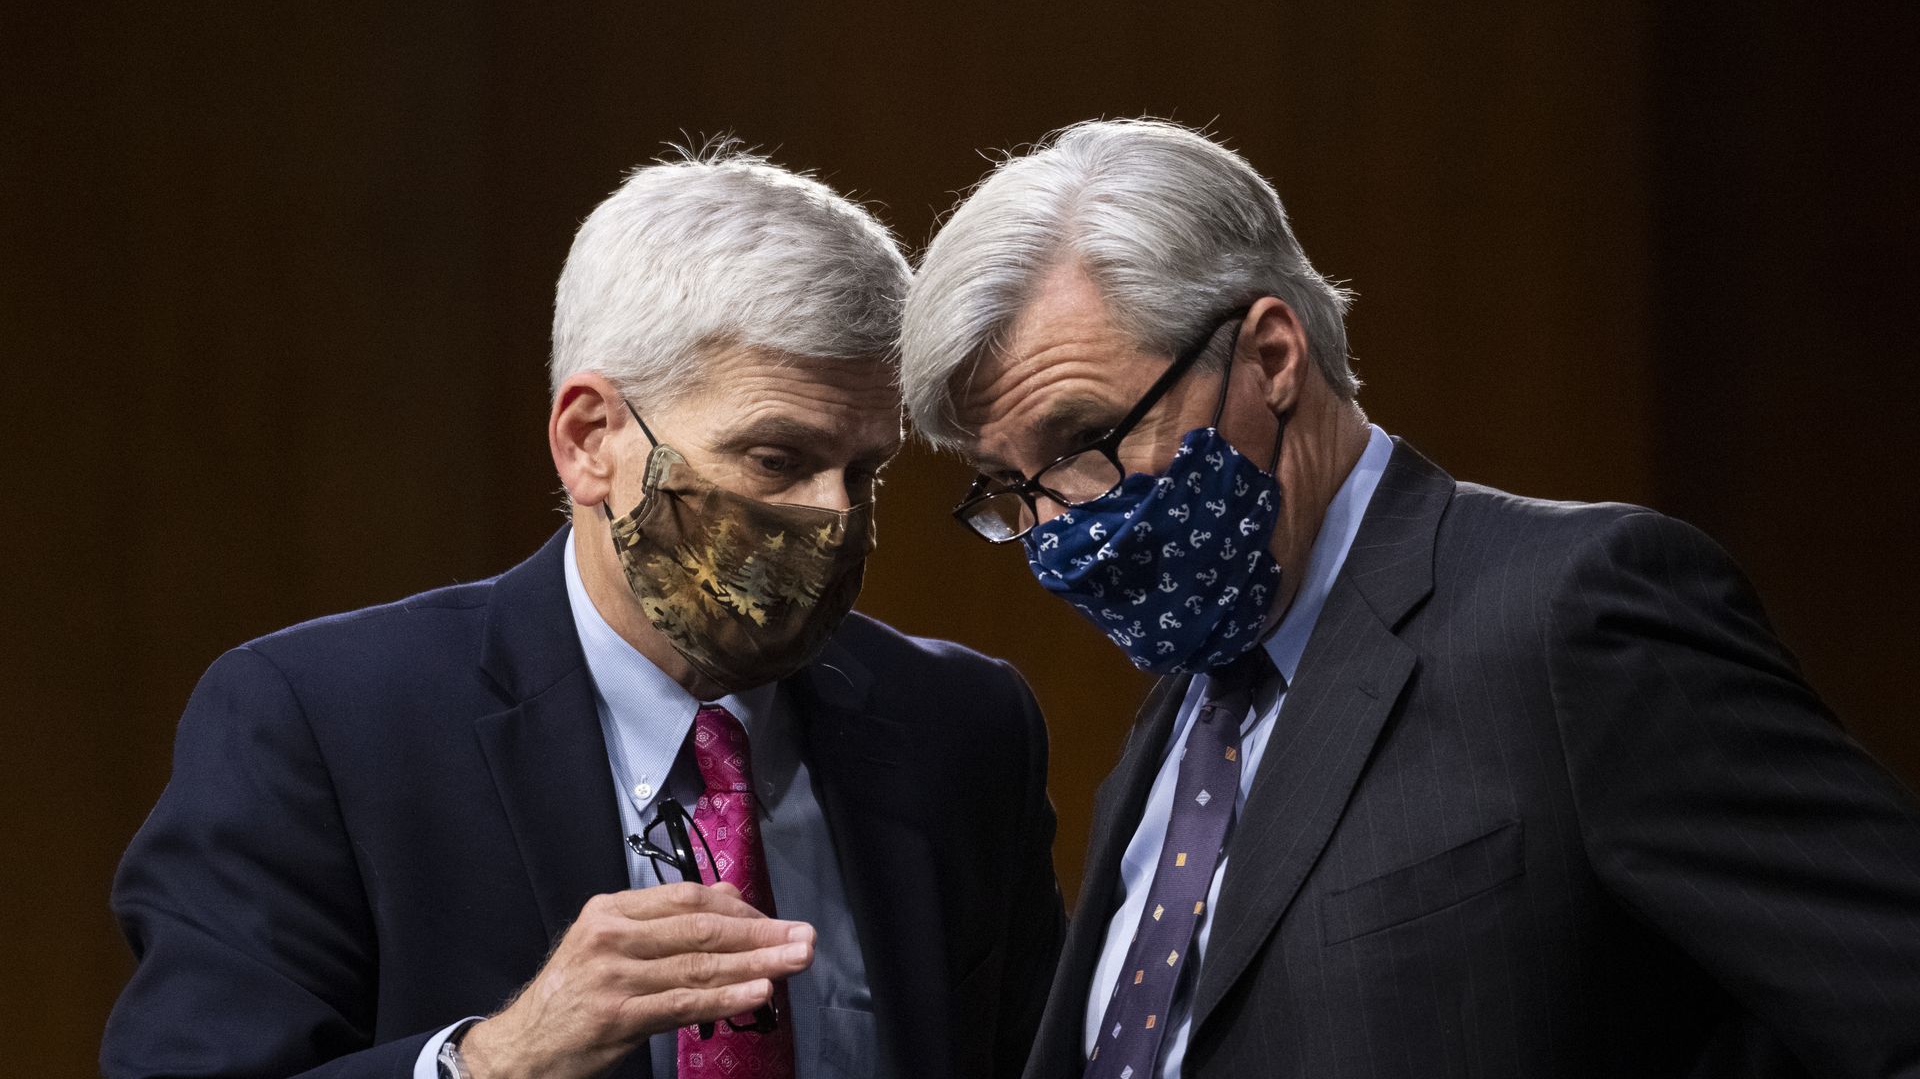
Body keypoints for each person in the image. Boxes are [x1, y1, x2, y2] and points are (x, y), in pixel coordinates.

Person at [899, 118, 1920, 1079]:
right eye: (1011, 486)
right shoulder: (1187, 715)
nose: (1057, 527)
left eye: (1083, 445)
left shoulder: (1572, 617)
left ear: (1270, 356)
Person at [103, 147, 1064, 1079]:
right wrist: (496, 1060)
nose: (835, 517)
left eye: (865, 471)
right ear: (589, 440)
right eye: (776, 459)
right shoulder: (319, 726)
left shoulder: (961, 730)